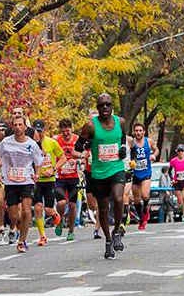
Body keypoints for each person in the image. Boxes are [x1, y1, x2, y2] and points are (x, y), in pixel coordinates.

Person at [74, 94, 129, 259]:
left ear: (112, 107)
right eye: (101, 105)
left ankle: (117, 230)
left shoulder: (121, 122)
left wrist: (124, 148)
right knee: (103, 208)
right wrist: (86, 149)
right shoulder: (90, 126)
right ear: (98, 109)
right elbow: (78, 146)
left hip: (117, 167)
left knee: (119, 198)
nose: (105, 108)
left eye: (107, 105)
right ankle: (108, 240)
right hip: (98, 172)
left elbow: (123, 138)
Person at [0, 115, 43, 253]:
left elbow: (38, 161)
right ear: (12, 127)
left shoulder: (31, 144)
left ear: (25, 127)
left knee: (26, 210)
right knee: (14, 216)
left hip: (27, 180)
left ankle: (22, 240)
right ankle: (18, 229)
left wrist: (37, 174)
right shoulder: (5, 143)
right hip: (11, 181)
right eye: (15, 125)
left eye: (20, 125)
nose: (17, 127)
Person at [31, 119, 65, 246]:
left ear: (44, 131)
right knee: (38, 208)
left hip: (49, 180)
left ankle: (55, 214)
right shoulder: (30, 144)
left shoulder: (51, 142)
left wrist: (54, 169)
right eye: (36, 131)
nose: (38, 134)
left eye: (40, 131)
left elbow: (63, 157)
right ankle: (43, 236)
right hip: (37, 180)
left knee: (48, 209)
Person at [55, 119, 80, 241]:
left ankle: (71, 230)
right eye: (63, 131)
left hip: (74, 177)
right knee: (61, 203)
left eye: (68, 131)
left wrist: (76, 160)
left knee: (72, 205)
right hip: (60, 177)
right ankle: (59, 220)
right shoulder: (56, 140)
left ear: (72, 129)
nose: (66, 133)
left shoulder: (77, 139)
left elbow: (84, 154)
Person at [128, 123, 157, 230]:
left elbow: (156, 149)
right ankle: (141, 219)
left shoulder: (148, 141)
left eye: (140, 130)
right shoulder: (131, 142)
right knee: (136, 200)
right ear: (134, 132)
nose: (138, 132)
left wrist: (154, 155)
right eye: (136, 130)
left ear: (144, 132)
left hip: (146, 172)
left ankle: (146, 208)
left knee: (145, 195)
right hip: (135, 173)